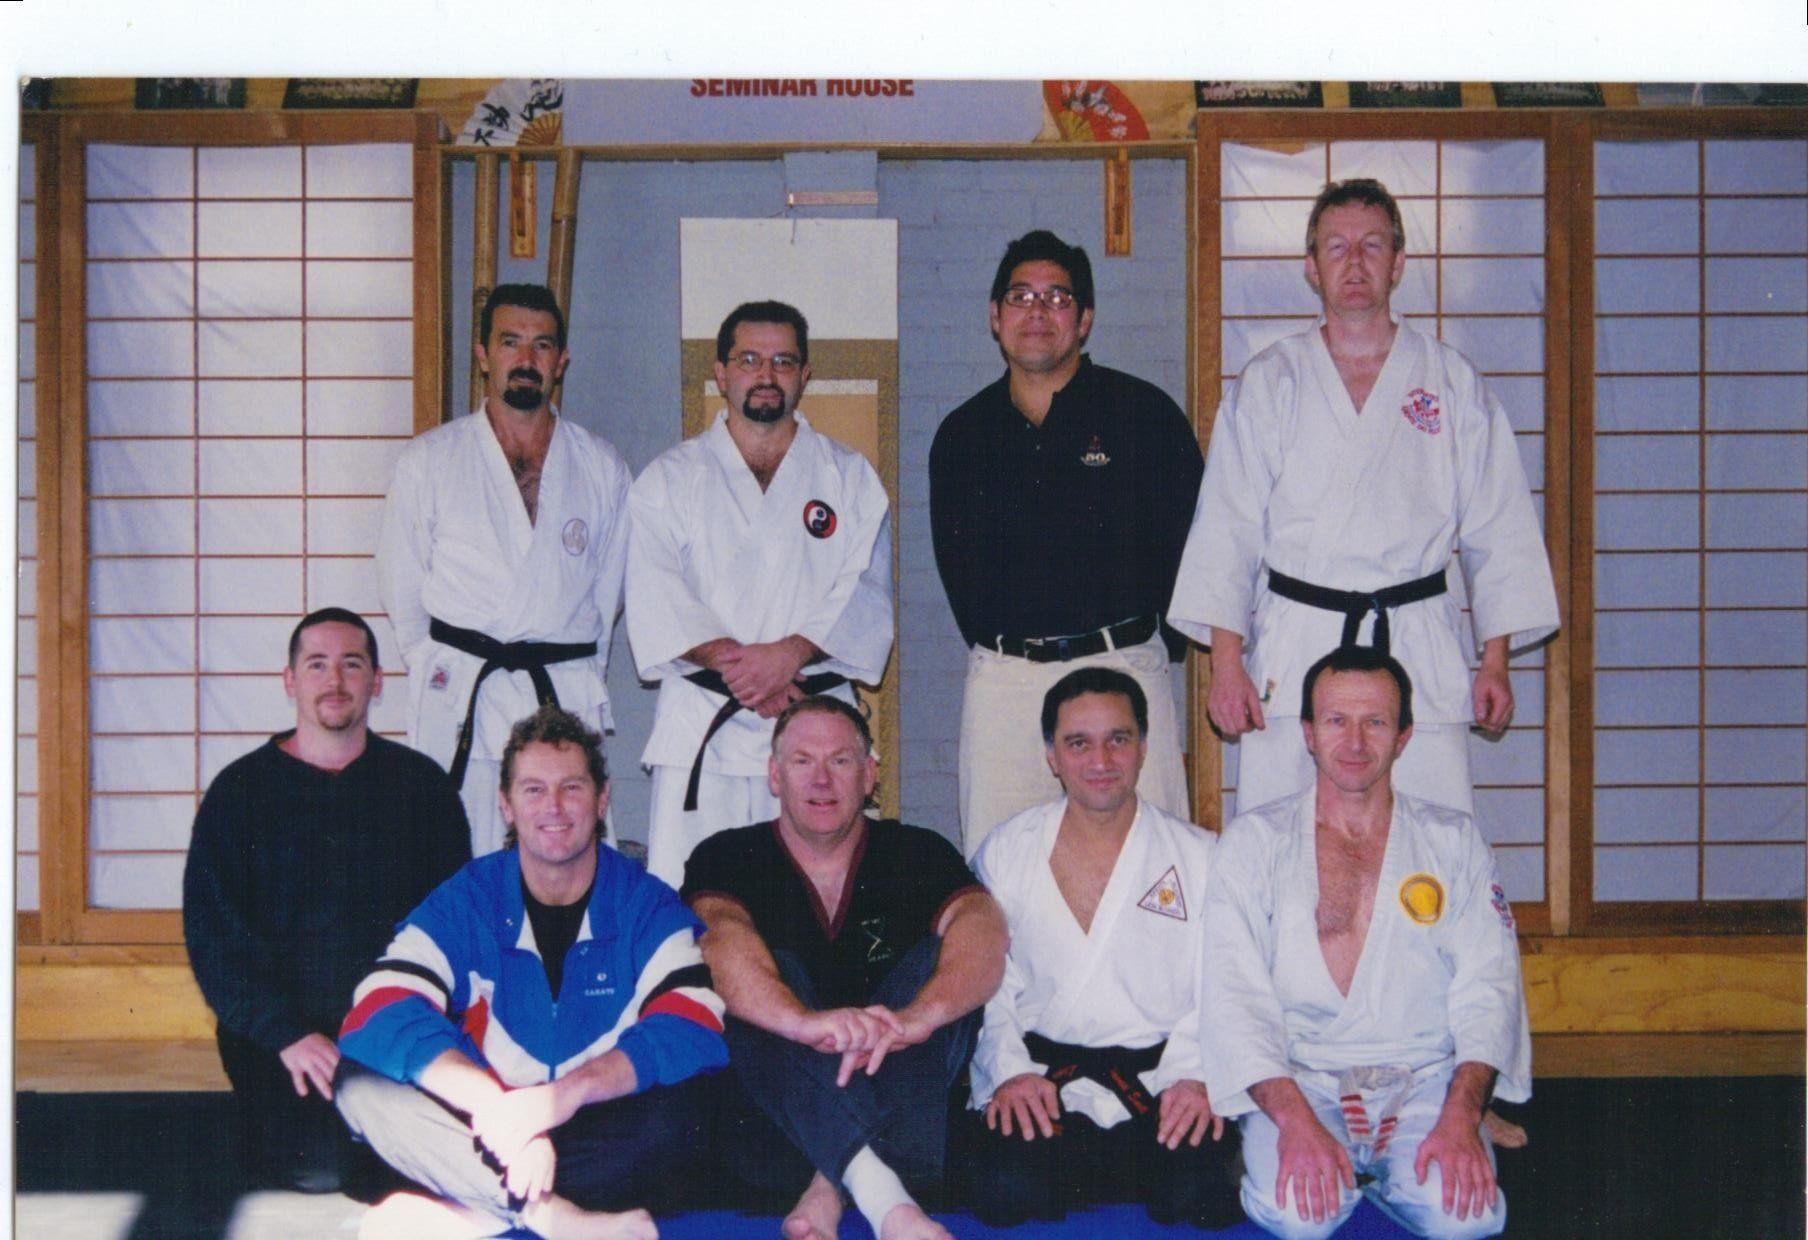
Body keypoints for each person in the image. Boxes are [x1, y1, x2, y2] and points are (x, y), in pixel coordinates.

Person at [1169, 178, 1559, 816]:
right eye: (1337, 246)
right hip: (1297, 643)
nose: (1354, 262)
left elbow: (1500, 526)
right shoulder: (1270, 382)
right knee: (1284, 835)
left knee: (1429, 836)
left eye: (1372, 246)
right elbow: (1228, 528)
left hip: (1416, 638)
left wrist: (1493, 662)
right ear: (1311, 267)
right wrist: (1226, 664)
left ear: (1399, 263)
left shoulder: (1450, 381)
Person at [336, 705, 727, 1240]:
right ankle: (552, 1216)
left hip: (595, 1121)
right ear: (506, 805)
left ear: (602, 798)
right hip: (490, 1127)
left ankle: (470, 1207)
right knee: (361, 1083)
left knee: (689, 1106)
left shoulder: (644, 903)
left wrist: (562, 1098)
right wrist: (498, 1110)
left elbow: (693, 1021)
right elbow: (379, 1004)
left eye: (572, 787)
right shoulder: (470, 897)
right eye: (534, 790)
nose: (555, 807)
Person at [1199, 646, 1529, 1239]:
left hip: (1424, 1074)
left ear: (1404, 736)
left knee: (1467, 1218)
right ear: (1306, 732)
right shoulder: (1255, 843)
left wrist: (1461, 1114)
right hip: (1302, 1076)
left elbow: (1490, 985)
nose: (1354, 742)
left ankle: (1390, 1167)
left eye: (1375, 722)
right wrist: (1294, 1119)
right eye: (1335, 721)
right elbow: (1234, 996)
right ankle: (1275, 1141)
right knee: (1304, 1219)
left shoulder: (1452, 840)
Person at [681, 696, 1006, 1240]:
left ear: (870, 775)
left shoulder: (917, 851)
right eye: (803, 761)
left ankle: (827, 1183)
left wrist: (916, 1018)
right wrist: (801, 1023)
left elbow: (984, 928)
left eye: (841, 760)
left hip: (901, 1075)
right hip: (783, 1120)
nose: (822, 780)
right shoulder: (728, 855)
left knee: (937, 966)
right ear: (775, 775)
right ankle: (884, 1197)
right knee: (751, 981)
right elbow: (719, 938)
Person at [930, 229, 1203, 855]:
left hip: (1122, 662)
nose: (1037, 311)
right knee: (999, 867)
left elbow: (1189, 547)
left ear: (1084, 320)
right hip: (1007, 678)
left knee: (1154, 864)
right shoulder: (963, 435)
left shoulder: (1143, 414)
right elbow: (960, 578)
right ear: (996, 317)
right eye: (1021, 296)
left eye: (1057, 298)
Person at [183, 607, 471, 1192]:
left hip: (394, 1022)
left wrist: (412, 1023)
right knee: (321, 1168)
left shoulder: (422, 787)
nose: (334, 681)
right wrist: (284, 1032)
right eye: (316, 665)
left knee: (415, 1154)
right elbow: (214, 940)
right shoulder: (239, 794)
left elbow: (455, 924)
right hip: (284, 1033)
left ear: (377, 681)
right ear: (290, 680)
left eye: (351, 664)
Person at [627, 300, 893, 887]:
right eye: (749, 359)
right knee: (692, 903)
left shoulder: (848, 478)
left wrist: (786, 658)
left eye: (782, 361)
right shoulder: (669, 480)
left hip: (815, 727)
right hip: (704, 723)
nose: (766, 375)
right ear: (721, 373)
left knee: (817, 901)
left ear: (804, 375)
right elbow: (655, 592)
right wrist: (748, 672)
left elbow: (864, 597)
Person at [967, 667, 1242, 1228]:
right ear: (1051, 755)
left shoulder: (1200, 855)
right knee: (1005, 1194)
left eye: (1118, 739)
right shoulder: (1006, 851)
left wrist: (1196, 1075)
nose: (1100, 760)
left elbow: (1224, 979)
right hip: (1046, 1082)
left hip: (1161, 1084)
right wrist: (1009, 1073)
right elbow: (983, 980)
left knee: (1199, 1201)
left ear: (1143, 747)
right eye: (1078, 743)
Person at [379, 283, 633, 855]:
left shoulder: (601, 466)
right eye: (511, 342)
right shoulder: (430, 461)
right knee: (454, 857)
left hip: (559, 689)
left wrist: (581, 672)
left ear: (561, 361)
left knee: (564, 857)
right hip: (462, 689)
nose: (526, 360)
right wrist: (436, 668)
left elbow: (607, 597)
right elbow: (402, 588)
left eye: (542, 346)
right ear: (483, 354)